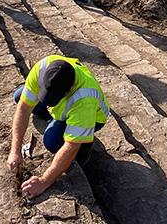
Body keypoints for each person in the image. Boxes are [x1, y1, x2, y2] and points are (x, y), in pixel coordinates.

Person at [8, 55, 110, 199]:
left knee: (52, 141)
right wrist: (15, 151)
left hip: (93, 118)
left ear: (68, 91)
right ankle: (61, 122)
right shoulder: (43, 67)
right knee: (19, 96)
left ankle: (85, 140)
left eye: (53, 99)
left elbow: (71, 145)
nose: (49, 103)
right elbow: (24, 108)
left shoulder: (84, 100)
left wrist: (44, 181)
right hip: (67, 108)